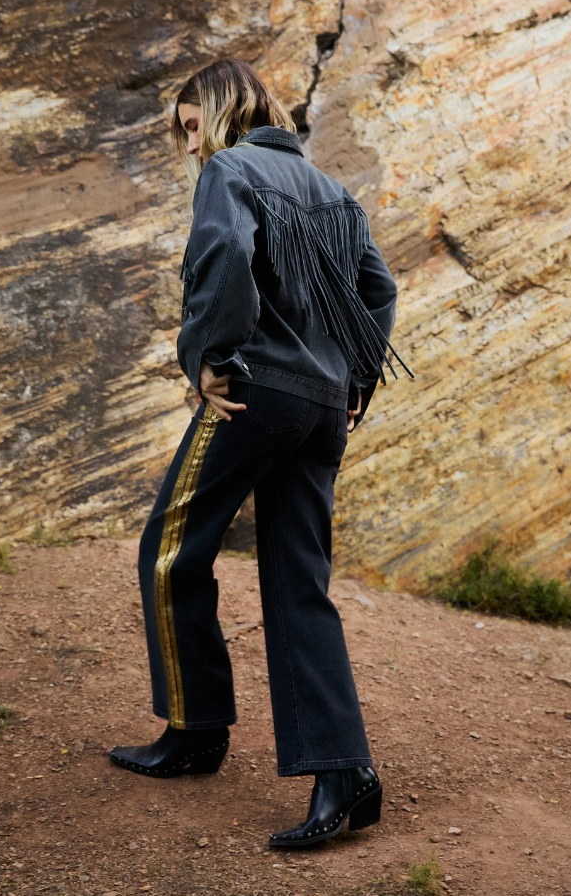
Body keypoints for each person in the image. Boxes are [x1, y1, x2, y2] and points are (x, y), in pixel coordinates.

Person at [109, 58, 414, 848]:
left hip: (255, 392)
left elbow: (222, 258)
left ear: (219, 110)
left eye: (189, 127)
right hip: (321, 408)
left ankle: (195, 727)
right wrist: (353, 379)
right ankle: (343, 776)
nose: (189, 149)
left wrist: (211, 358)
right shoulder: (335, 193)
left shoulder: (231, 170)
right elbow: (378, 291)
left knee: (171, 548)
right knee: (298, 582)